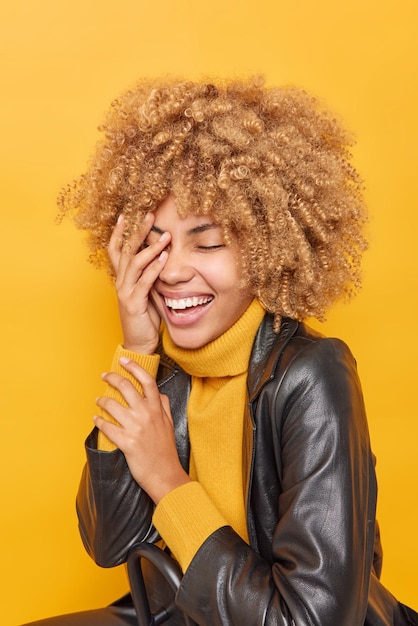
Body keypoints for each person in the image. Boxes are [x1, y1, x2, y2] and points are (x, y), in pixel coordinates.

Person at [25, 77, 417, 625]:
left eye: (207, 243)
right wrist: (139, 350)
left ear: (266, 246)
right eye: (155, 242)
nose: (175, 269)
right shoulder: (167, 368)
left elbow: (311, 618)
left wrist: (167, 478)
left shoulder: (312, 375)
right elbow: (110, 542)